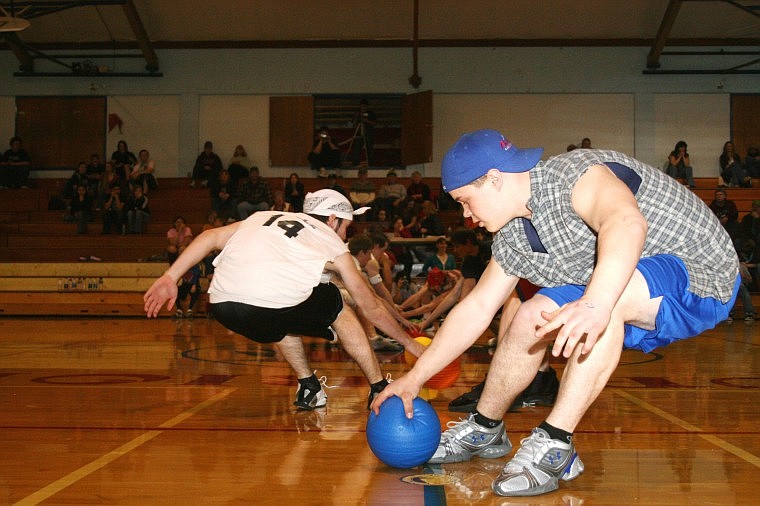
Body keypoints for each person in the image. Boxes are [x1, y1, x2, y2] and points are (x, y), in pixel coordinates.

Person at [371, 129, 739, 498]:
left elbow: (626, 224)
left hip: (702, 273)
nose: (467, 216)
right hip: (629, 280)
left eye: (466, 201)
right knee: (530, 316)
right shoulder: (513, 236)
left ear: (494, 180)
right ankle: (485, 427)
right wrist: (415, 377)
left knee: (601, 302)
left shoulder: (577, 176)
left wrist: (595, 304)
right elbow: (478, 307)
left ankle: (556, 444)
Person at [144, 189, 426, 411]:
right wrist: (410, 343)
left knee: (285, 305)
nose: (345, 235)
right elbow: (372, 308)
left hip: (222, 305)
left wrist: (171, 277)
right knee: (338, 302)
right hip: (272, 302)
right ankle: (377, 386)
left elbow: (208, 236)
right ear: (332, 219)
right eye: (346, 228)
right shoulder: (331, 241)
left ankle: (309, 387)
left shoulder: (261, 217)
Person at [351, 100, 377, 166]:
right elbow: (353, 124)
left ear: (367, 106)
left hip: (368, 133)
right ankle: (355, 163)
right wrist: (356, 117)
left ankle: (371, 163)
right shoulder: (357, 113)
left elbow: (375, 123)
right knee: (357, 148)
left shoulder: (371, 113)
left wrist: (367, 121)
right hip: (358, 133)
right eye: (362, 106)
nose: (363, 107)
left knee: (369, 148)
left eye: (365, 106)